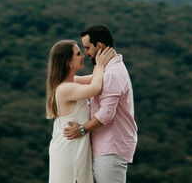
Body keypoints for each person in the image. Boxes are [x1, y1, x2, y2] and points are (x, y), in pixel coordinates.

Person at [62, 24, 138, 183]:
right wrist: (59, 81)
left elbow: (106, 115)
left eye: (88, 48)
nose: (86, 53)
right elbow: (87, 81)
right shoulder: (110, 69)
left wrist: (81, 130)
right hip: (106, 146)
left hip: (110, 147)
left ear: (100, 46)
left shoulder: (112, 74)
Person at [48, 39, 116, 183]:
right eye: (78, 54)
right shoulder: (65, 89)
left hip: (76, 145)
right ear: (68, 62)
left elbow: (99, 78)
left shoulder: (73, 82)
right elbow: (95, 88)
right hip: (69, 148)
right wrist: (100, 64)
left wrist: (109, 64)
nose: (83, 55)